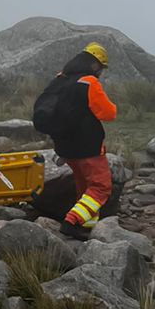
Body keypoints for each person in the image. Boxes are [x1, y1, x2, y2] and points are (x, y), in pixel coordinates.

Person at [32, 42, 117, 240]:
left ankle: (86, 227)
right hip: (88, 147)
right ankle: (71, 221)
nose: (101, 73)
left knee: (85, 187)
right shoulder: (88, 82)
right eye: (102, 69)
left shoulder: (60, 78)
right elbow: (108, 113)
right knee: (100, 187)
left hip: (65, 147)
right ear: (95, 65)